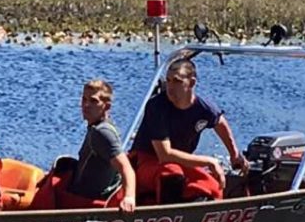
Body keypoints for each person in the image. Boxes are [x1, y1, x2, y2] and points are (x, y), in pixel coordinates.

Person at [129, 56, 248, 204]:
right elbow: (164, 154)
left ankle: (200, 217)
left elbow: (220, 122)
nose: (170, 86)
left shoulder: (203, 108)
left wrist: (234, 154)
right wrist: (210, 162)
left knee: (212, 185)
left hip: (179, 161)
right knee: (171, 173)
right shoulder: (156, 107)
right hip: (145, 161)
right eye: (169, 80)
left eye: (177, 81)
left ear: (191, 83)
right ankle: (166, 218)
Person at [29, 79, 136, 212]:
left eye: (93, 101)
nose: (86, 105)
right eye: (83, 99)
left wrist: (129, 197)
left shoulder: (102, 133)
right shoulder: (99, 127)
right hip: (78, 190)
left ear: (106, 106)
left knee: (35, 196)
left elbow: (126, 168)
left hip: (83, 201)